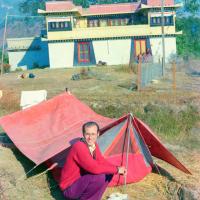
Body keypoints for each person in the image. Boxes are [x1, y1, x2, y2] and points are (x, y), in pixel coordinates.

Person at [60, 121, 127, 200]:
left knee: (109, 172)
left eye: (93, 134)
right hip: (70, 189)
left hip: (80, 183)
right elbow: (94, 168)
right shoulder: (79, 146)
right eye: (87, 134)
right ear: (83, 134)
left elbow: (101, 161)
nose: (90, 137)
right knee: (99, 176)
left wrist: (117, 168)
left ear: (98, 134)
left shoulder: (93, 145)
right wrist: (117, 170)